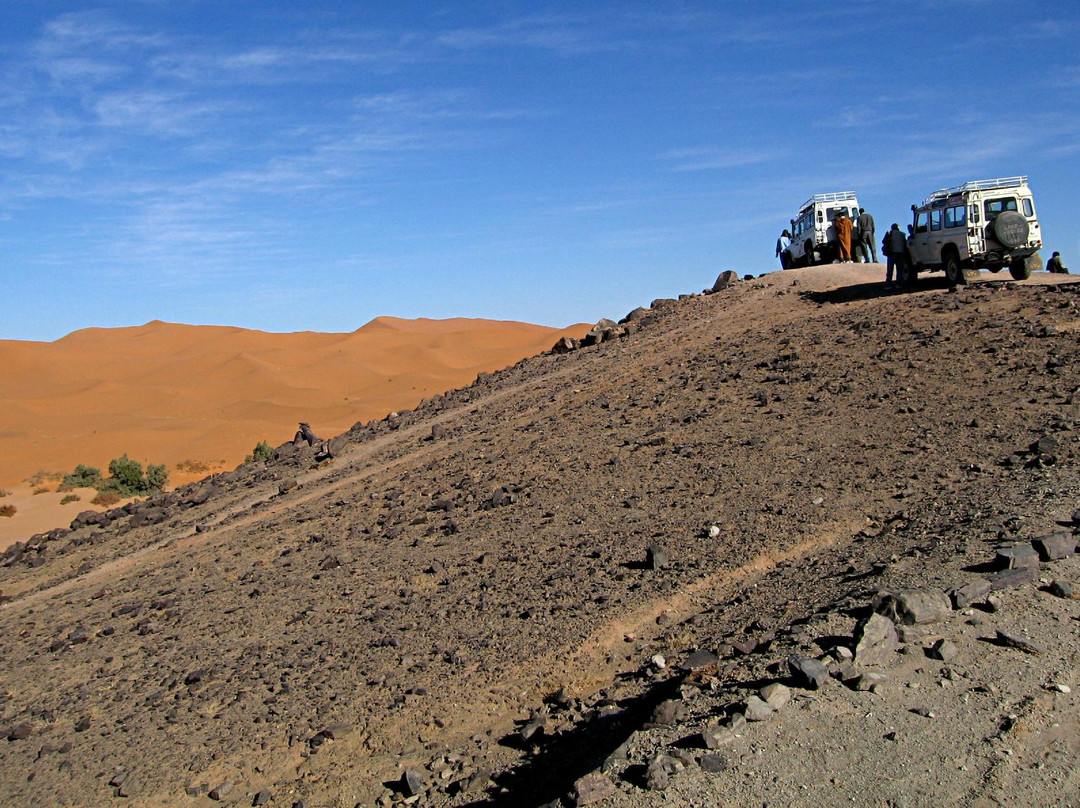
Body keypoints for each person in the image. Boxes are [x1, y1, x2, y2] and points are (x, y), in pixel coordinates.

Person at [881, 223, 908, 289]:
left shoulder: (889, 233)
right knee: (899, 270)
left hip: (891, 253)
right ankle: (898, 284)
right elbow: (905, 244)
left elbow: (883, 241)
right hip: (900, 253)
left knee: (890, 270)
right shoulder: (902, 234)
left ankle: (888, 284)